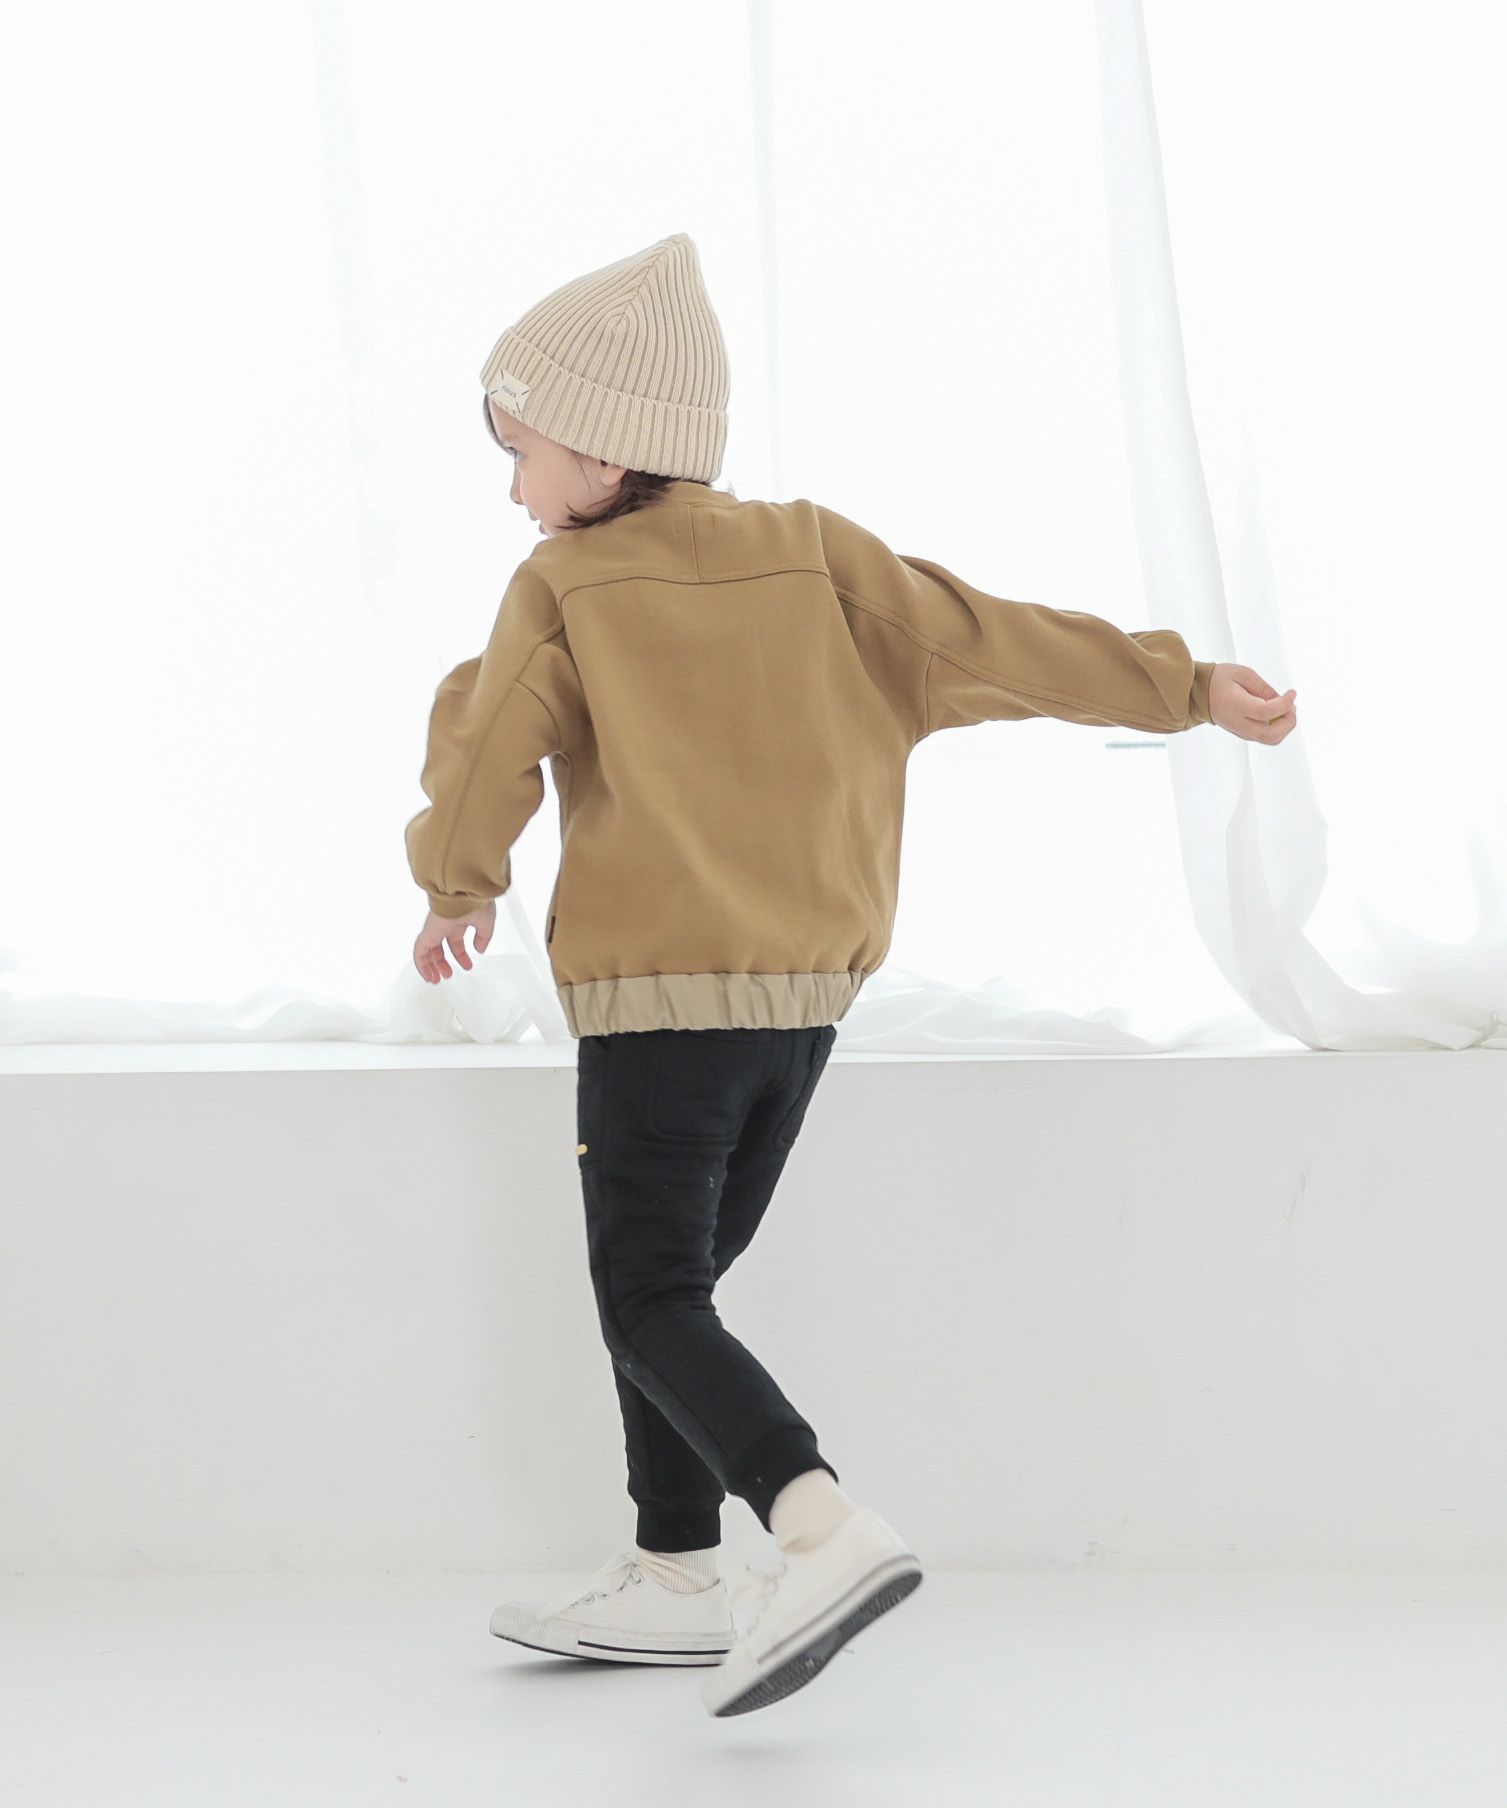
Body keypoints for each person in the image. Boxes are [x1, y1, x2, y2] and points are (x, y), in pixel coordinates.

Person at [402, 233, 1298, 1718]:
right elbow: (1000, 643)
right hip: (803, 1012)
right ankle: (677, 1572)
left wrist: (454, 884)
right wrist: (1184, 684)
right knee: (676, 1292)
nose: (514, 490)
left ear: (604, 451)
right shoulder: (822, 558)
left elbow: (491, 743)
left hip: (658, 1009)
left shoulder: (563, 585)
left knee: (646, 1295)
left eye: (523, 453)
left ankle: (817, 1526)